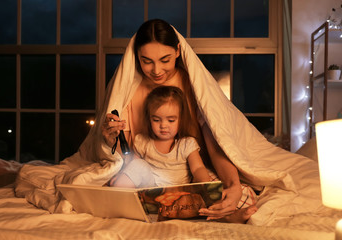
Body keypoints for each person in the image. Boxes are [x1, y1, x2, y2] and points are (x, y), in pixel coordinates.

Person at [102, 19, 257, 223]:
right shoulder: (130, 91)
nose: (156, 70)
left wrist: (232, 185)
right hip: (149, 179)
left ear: (177, 51)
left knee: (240, 194)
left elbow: (217, 146)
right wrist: (110, 139)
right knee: (110, 184)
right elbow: (130, 155)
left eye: (165, 60)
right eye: (147, 61)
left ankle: (225, 215)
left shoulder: (193, 85)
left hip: (185, 179)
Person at [111, 86, 211, 188]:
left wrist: (204, 181)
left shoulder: (187, 144)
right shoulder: (142, 141)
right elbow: (134, 166)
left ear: (181, 120)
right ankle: (119, 193)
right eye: (156, 120)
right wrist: (124, 174)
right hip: (150, 189)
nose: (163, 125)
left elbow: (198, 168)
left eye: (171, 120)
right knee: (137, 164)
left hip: (178, 192)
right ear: (149, 119)